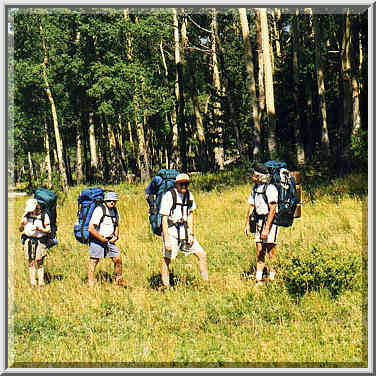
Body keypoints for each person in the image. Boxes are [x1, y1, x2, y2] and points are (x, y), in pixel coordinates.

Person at [160, 173, 208, 288]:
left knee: (202, 255)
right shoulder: (169, 196)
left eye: (186, 184)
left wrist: (191, 233)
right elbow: (164, 219)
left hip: (185, 232)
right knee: (167, 259)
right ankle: (166, 287)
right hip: (171, 231)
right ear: (176, 184)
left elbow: (190, 214)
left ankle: (206, 284)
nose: (184, 186)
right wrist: (166, 239)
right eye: (181, 184)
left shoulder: (189, 195)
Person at [244, 163, 279, 286]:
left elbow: (273, 208)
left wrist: (267, 228)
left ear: (259, 176)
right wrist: (247, 224)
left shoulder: (270, 189)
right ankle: (258, 279)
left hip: (270, 223)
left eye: (253, 174)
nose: (251, 176)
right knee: (259, 250)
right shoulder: (255, 189)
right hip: (258, 221)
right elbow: (251, 206)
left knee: (270, 250)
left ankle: (273, 277)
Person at [87, 191, 127, 288]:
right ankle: (90, 284)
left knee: (118, 259)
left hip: (109, 240)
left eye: (114, 201)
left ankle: (118, 281)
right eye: (109, 200)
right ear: (105, 201)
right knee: (94, 261)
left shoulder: (115, 210)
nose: (112, 203)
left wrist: (116, 236)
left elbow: (116, 224)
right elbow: (91, 228)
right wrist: (101, 238)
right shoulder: (99, 210)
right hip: (97, 239)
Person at [19, 198, 51, 287]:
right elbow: (20, 230)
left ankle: (41, 282)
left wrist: (39, 229)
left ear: (36, 206)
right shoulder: (26, 215)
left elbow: (48, 230)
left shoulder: (44, 215)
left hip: (40, 241)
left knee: (39, 261)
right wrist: (22, 224)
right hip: (28, 240)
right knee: (30, 261)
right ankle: (33, 282)